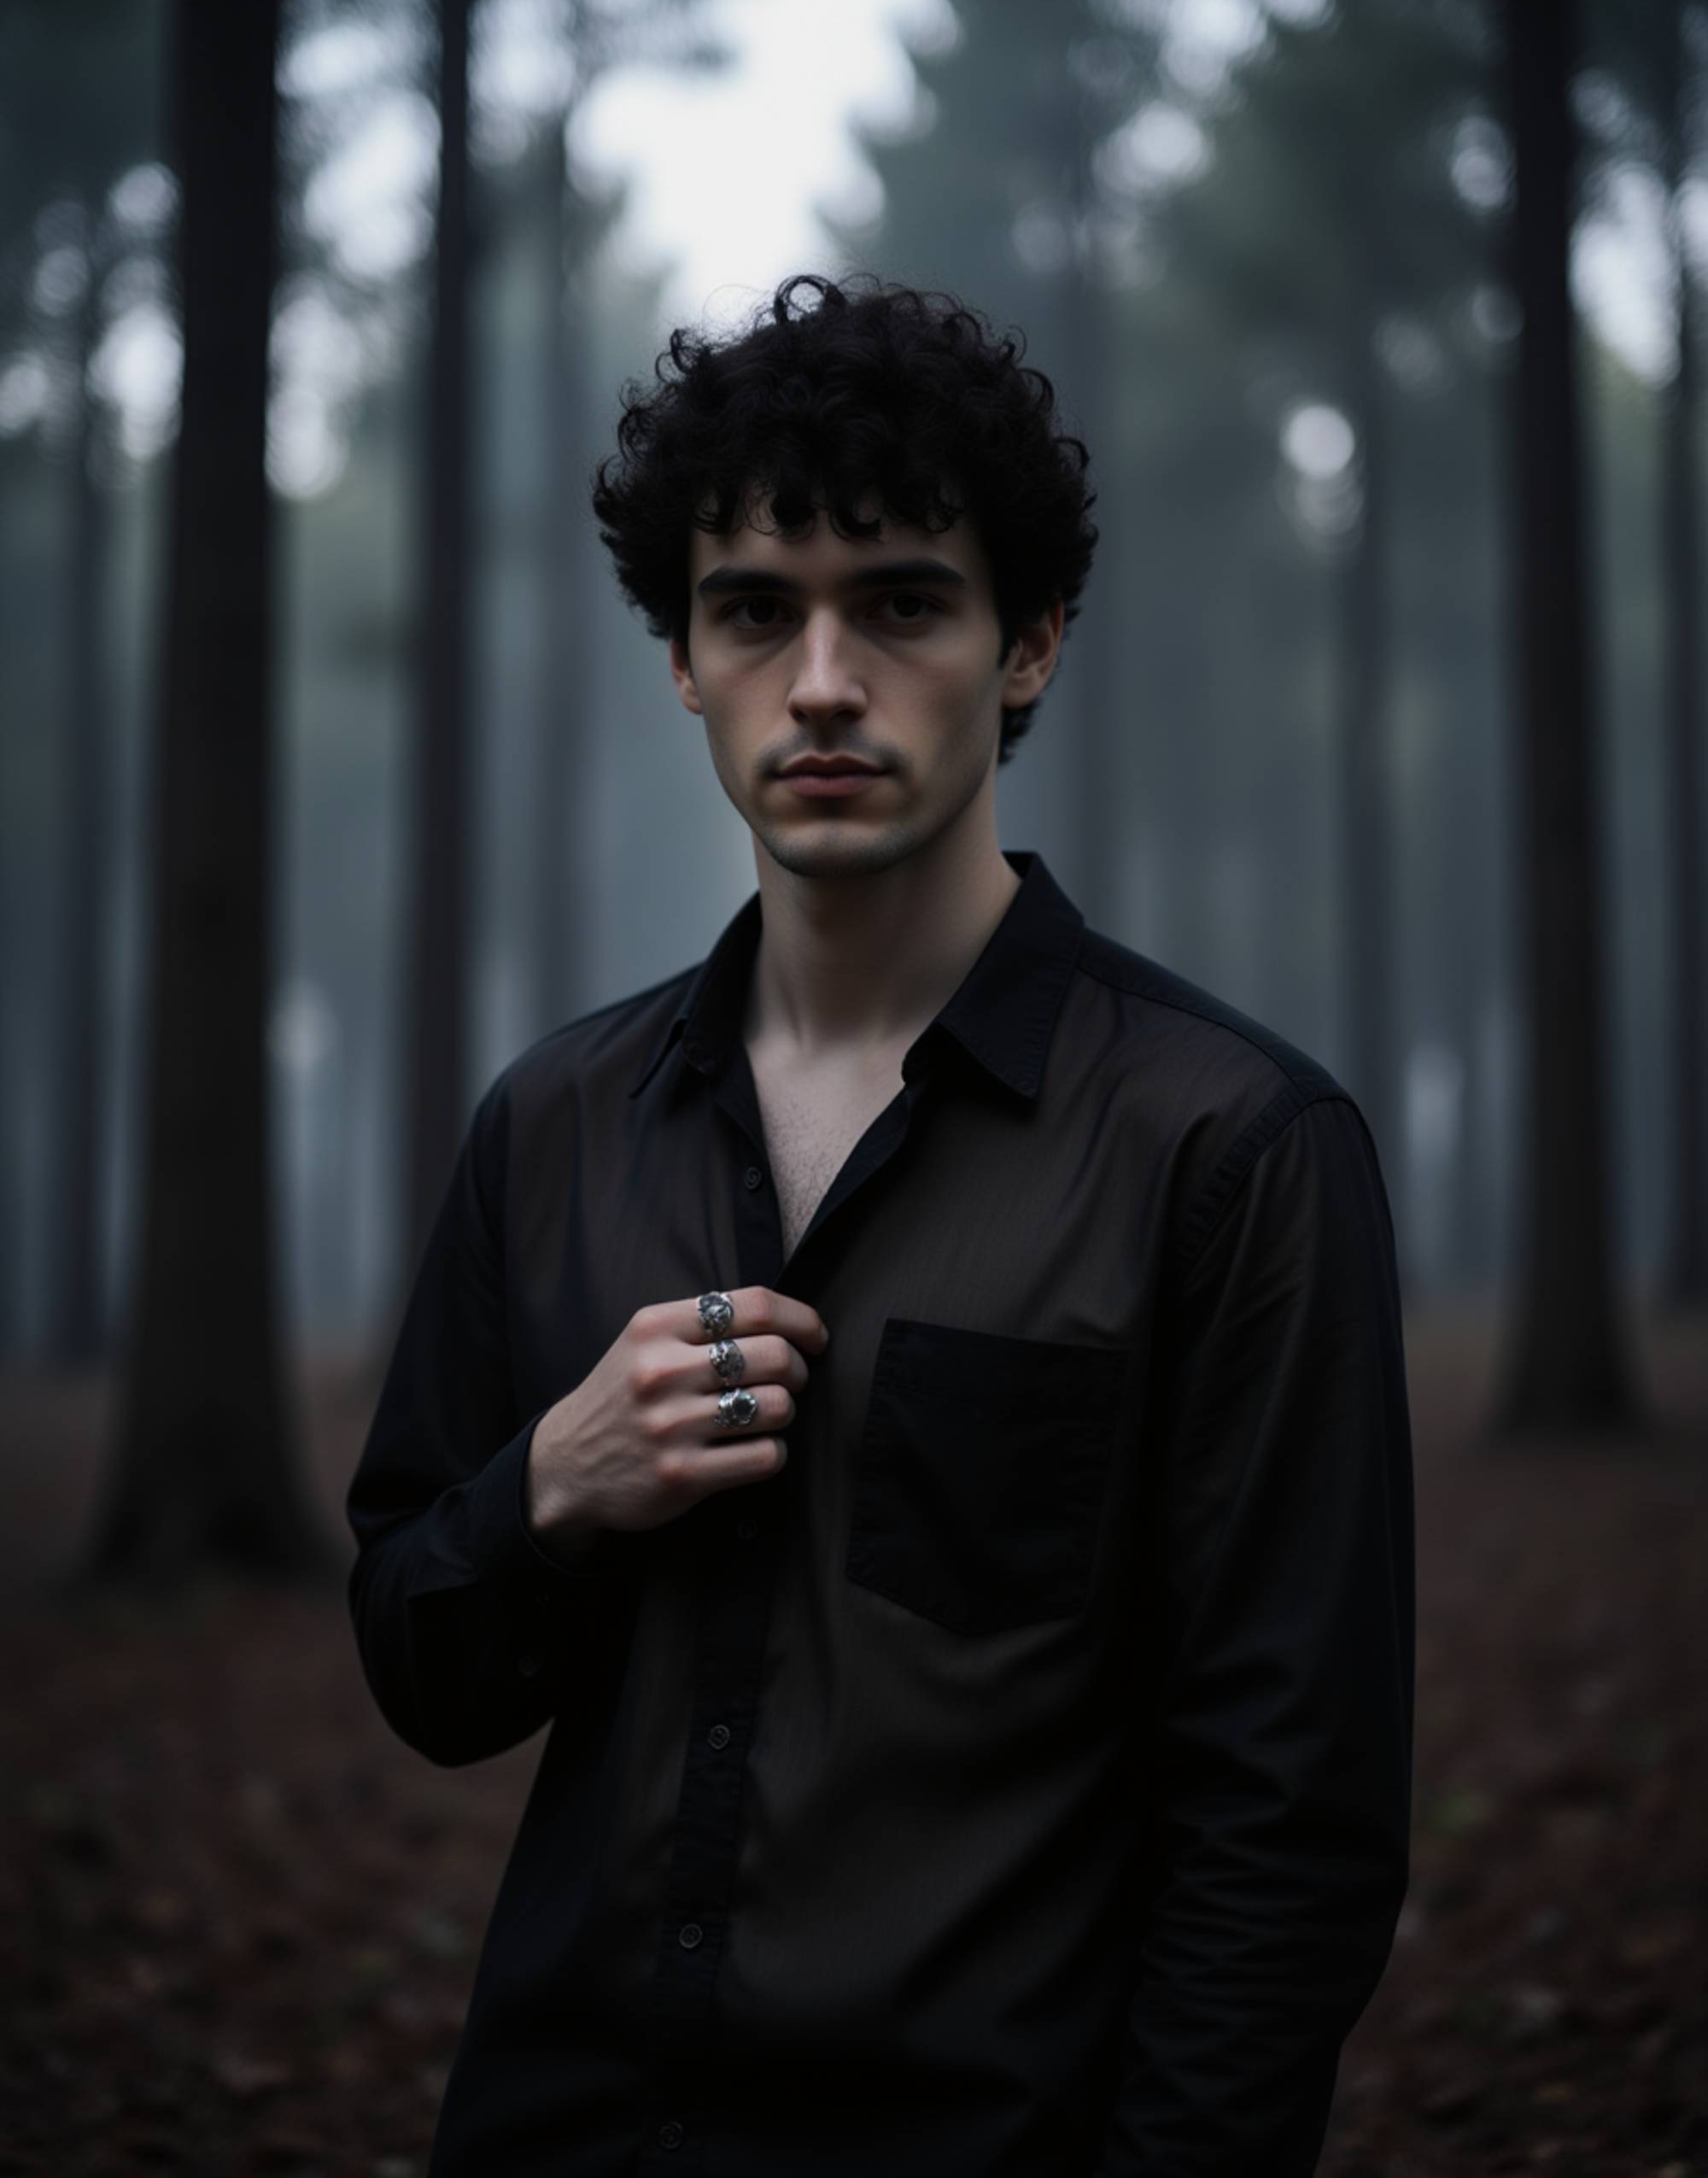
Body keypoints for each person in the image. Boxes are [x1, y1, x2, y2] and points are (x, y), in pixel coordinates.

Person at [345, 272, 1414, 2178]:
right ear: (681, 655)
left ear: (1030, 643)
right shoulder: (556, 1124)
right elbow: (426, 1671)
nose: (821, 680)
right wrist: (548, 1483)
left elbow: (1289, 1822)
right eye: (754, 609)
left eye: (902, 601)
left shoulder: (1233, 1148)